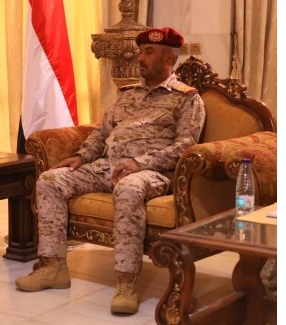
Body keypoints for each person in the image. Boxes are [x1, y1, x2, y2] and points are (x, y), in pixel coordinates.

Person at [15, 27, 205, 314]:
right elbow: (102, 133)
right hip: (106, 166)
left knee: (128, 188)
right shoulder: (127, 94)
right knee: (50, 180)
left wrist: (139, 163)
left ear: (169, 58)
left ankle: (127, 283)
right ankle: (52, 267)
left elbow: (186, 146)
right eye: (140, 52)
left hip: (149, 172)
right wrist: (80, 157)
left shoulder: (187, 99)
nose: (140, 58)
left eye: (149, 52)